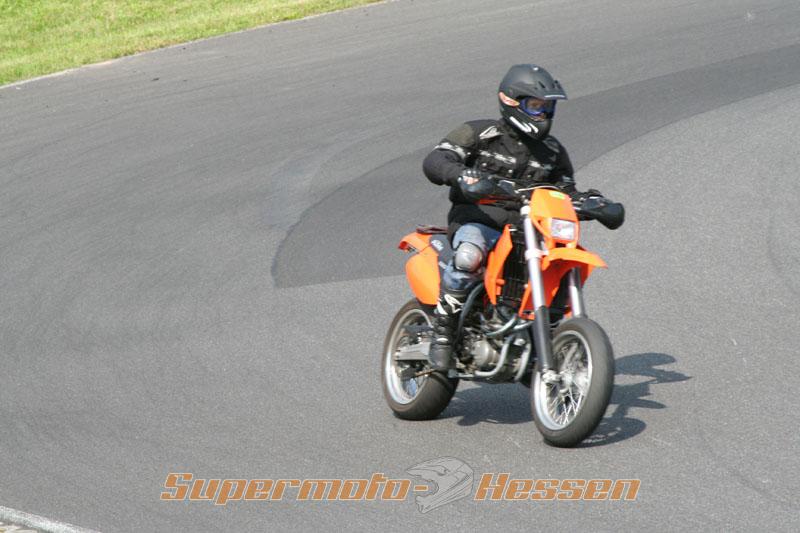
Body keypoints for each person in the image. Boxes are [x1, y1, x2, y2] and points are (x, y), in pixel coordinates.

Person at [422, 63, 604, 371]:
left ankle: (547, 336)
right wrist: (461, 175)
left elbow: (565, 190)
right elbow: (437, 159)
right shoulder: (480, 132)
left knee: (563, 263)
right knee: (469, 256)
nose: (543, 113)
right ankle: (443, 333)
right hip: (480, 221)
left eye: (548, 107)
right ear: (511, 101)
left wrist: (595, 203)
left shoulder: (552, 151)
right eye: (535, 105)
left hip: (529, 231)